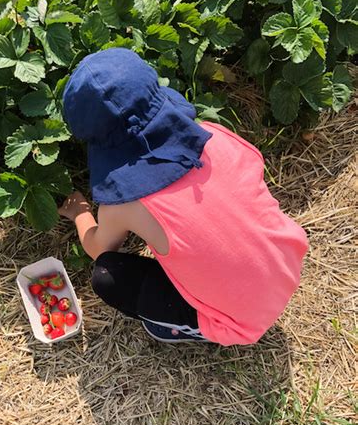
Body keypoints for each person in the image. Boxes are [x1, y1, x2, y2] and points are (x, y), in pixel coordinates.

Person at [58, 48, 308, 345]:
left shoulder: (123, 205)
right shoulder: (214, 135)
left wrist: (80, 214)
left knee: (109, 277)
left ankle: (195, 326)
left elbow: (99, 247)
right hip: (286, 266)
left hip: (241, 320)